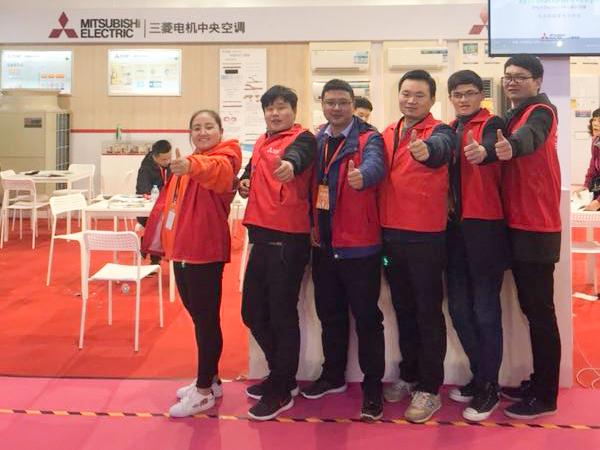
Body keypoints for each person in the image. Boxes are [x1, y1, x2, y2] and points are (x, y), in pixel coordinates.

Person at [141, 110, 242, 417]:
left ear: (220, 130)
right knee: (200, 319)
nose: (202, 132)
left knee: (206, 321)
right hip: (183, 250)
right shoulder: (191, 161)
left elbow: (216, 171)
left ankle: (203, 392)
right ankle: (211, 380)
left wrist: (190, 166)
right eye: (196, 128)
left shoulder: (226, 155)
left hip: (205, 250)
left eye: (209, 126)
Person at [300, 78, 386, 422]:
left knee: (367, 319)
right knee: (329, 314)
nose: (336, 108)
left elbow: (376, 165)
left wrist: (363, 176)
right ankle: (332, 375)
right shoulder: (317, 138)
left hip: (360, 245)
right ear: (322, 104)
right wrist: (312, 224)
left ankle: (373, 389)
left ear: (353, 104)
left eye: (342, 102)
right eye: (330, 102)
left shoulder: (369, 138)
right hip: (324, 244)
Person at [378, 70, 454, 423]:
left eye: (419, 95)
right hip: (390, 235)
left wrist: (428, 151)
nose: (411, 100)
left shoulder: (440, 131)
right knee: (403, 309)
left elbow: (441, 150)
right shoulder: (388, 132)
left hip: (426, 236)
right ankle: (409, 374)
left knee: (427, 312)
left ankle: (429, 388)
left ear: (432, 100)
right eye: (406, 93)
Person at [238, 85, 316, 421]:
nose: (275, 113)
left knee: (282, 316)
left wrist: (289, 166)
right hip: (260, 238)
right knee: (252, 313)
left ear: (293, 110)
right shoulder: (261, 141)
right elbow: (250, 171)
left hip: (288, 241)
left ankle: (282, 389)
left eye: (281, 107)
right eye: (269, 108)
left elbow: (297, 158)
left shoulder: (304, 138)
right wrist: (243, 182)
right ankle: (281, 375)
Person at [495, 54, 562, 419]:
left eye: (520, 76)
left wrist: (512, 146)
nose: (512, 81)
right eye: (508, 76)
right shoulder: (513, 114)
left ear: (537, 81)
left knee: (540, 315)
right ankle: (538, 382)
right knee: (531, 311)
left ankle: (546, 395)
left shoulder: (541, 111)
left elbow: (529, 138)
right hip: (519, 225)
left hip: (537, 228)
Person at [445, 70, 508, 421]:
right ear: (451, 98)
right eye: (458, 94)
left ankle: (490, 386)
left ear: (480, 95)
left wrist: (483, 152)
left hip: (486, 226)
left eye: (470, 93)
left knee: (485, 311)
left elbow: (491, 151)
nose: (464, 99)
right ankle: (479, 376)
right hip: (453, 229)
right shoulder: (448, 129)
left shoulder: (492, 124)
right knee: (458, 309)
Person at [136, 140, 172, 264]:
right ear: (155, 157)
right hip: (148, 212)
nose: (168, 161)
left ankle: (148, 242)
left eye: (169, 158)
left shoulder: (170, 166)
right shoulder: (145, 169)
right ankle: (155, 259)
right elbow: (143, 191)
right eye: (164, 159)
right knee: (160, 222)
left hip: (167, 208)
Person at [574, 108, 600, 210]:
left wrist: (598, 202)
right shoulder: (595, 141)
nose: (595, 124)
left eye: (599, 121)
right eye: (594, 120)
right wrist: (586, 186)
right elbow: (593, 167)